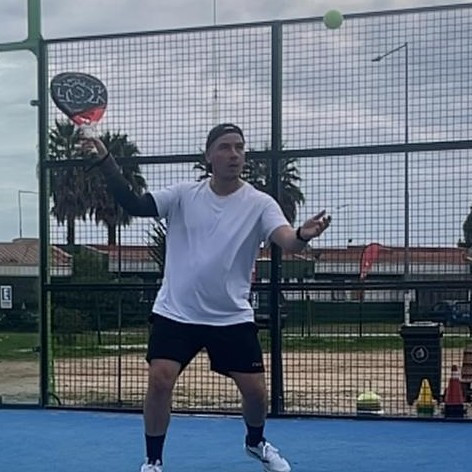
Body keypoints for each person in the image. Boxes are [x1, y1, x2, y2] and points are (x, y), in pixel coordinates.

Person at [83, 123, 331, 472]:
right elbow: (134, 204)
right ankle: (153, 461)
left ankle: (256, 442)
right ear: (209, 156)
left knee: (256, 393)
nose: (234, 154)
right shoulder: (183, 195)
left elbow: (288, 240)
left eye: (239, 147)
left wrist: (304, 233)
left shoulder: (260, 203)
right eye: (225, 147)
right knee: (159, 379)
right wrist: (106, 160)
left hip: (230, 315)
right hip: (176, 311)